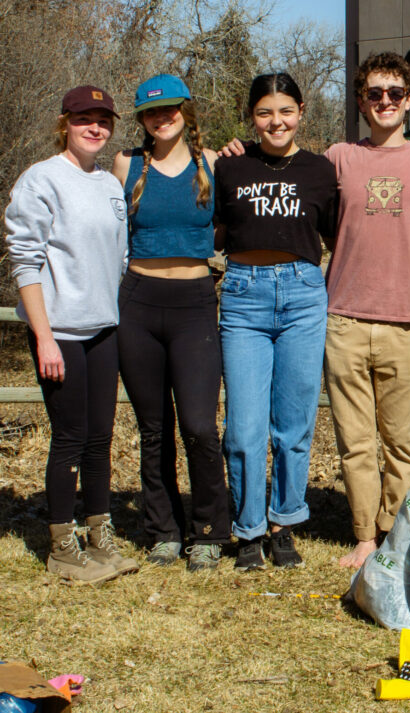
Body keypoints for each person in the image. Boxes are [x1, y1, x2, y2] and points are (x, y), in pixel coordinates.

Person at [5, 86, 135, 584]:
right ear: (66, 122)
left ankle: (100, 536)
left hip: (103, 329)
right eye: (85, 119)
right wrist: (43, 337)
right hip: (59, 331)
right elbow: (26, 261)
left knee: (100, 438)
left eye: (103, 120)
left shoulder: (107, 183)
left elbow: (118, 257)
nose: (95, 128)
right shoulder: (41, 179)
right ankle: (62, 544)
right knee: (70, 438)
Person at [323, 52, 410, 569]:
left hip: (405, 321)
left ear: (408, 99)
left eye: (395, 93)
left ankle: (395, 533)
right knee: (354, 441)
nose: (386, 102)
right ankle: (363, 536)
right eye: (375, 94)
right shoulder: (338, 157)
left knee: (401, 444)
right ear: (361, 101)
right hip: (345, 318)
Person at [215, 73, 337, 572]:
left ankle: (284, 523)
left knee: (294, 423)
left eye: (285, 110)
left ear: (301, 111)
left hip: (304, 297)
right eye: (265, 112)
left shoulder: (321, 170)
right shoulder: (230, 167)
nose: (276, 121)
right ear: (252, 117)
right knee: (244, 428)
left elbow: (335, 235)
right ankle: (247, 530)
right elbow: (215, 228)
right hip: (243, 295)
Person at [111, 74, 229, 571]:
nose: (163, 118)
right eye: (152, 112)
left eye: (171, 109)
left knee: (200, 425)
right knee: (153, 427)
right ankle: (163, 530)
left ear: (186, 111)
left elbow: (233, 224)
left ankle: (208, 530)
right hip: (138, 303)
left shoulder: (214, 165)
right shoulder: (126, 165)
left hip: (195, 303)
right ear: (141, 118)